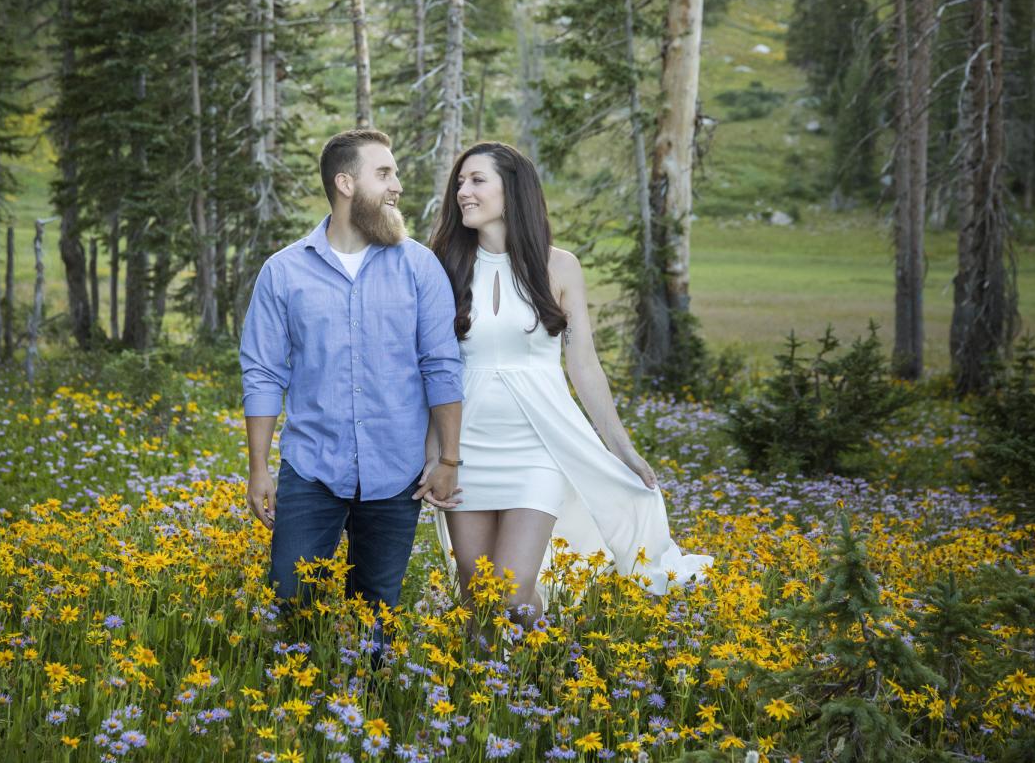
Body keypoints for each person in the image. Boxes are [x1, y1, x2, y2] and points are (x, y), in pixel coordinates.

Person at [428, 141, 713, 624]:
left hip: (538, 446)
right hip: (465, 446)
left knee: (514, 596)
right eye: (460, 182)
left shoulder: (560, 266)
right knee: (478, 598)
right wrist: (435, 453)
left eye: (477, 181)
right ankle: (493, 694)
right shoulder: (442, 264)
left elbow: (583, 364)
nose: (462, 192)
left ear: (511, 190)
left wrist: (621, 447)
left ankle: (536, 672)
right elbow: (431, 367)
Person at [240, 129, 464, 625]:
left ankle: (367, 697)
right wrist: (259, 468)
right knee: (291, 601)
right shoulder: (283, 272)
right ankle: (303, 695)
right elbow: (262, 373)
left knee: (376, 614)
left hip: (396, 471)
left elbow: (442, 364)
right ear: (345, 183)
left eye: (396, 174)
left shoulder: (419, 267)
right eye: (384, 173)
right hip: (312, 467)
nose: (396, 187)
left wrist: (449, 457)